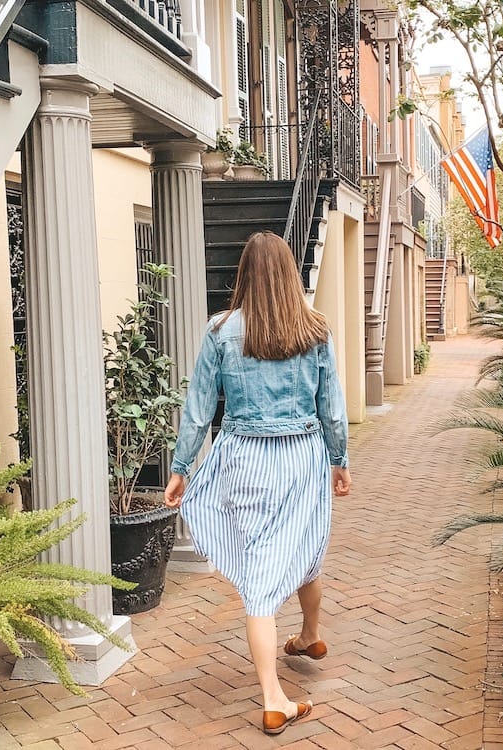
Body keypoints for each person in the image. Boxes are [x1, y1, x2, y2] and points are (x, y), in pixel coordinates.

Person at [164, 231, 352, 737]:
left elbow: (199, 408)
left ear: (244, 274)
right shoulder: (315, 330)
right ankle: (274, 696)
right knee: (303, 547)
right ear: (291, 273)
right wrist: (339, 460)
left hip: (245, 458)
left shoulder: (220, 330)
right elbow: (331, 407)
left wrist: (182, 466)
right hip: (302, 458)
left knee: (261, 571)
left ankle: (308, 637)